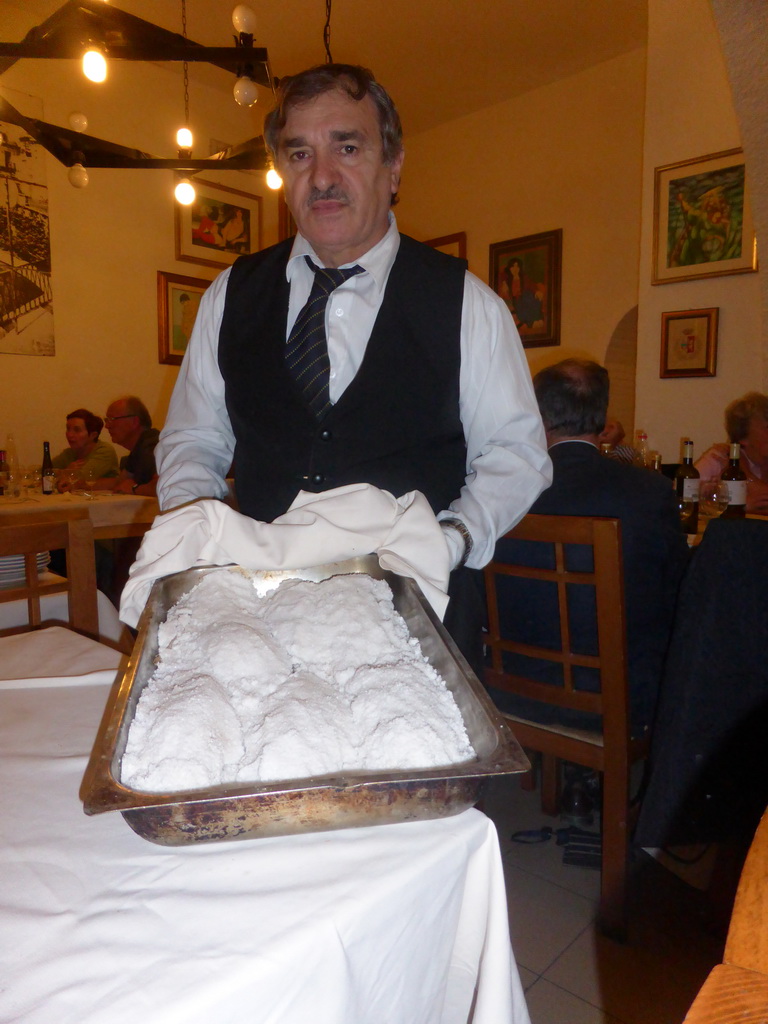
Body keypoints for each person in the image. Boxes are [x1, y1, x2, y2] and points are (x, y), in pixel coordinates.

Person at [155, 63, 551, 670]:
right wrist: (199, 547)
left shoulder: (467, 302)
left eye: (347, 146)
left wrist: (450, 541)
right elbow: (193, 439)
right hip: (263, 623)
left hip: (416, 623)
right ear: (281, 171)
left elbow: (516, 454)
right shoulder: (231, 295)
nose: (322, 178)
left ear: (393, 168)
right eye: (299, 153)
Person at [486, 359, 690, 736]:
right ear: (602, 415)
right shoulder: (648, 491)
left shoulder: (501, 492)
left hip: (512, 684)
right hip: (618, 697)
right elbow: (677, 591)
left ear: (538, 414)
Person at [695, 391, 768, 513]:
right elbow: (679, 500)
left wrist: (744, 472)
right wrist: (738, 507)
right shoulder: (719, 458)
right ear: (743, 438)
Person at [95, 396, 159, 497]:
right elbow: (119, 482)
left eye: (112, 419)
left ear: (134, 422)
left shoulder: (152, 445)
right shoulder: (138, 447)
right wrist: (82, 485)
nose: (107, 426)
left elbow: (164, 486)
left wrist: (134, 489)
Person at [51, 407, 118, 490]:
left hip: (107, 501)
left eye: (77, 430)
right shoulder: (69, 453)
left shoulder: (104, 451)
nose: (69, 434)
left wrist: (65, 473)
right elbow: (41, 474)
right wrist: (67, 471)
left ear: (93, 435)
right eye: (68, 429)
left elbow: (82, 478)